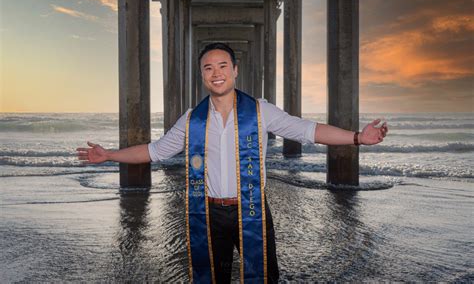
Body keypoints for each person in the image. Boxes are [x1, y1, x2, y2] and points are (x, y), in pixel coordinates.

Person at [77, 43, 388, 283]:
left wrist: (358, 137)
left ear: (235, 70)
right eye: (208, 68)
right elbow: (155, 151)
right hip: (207, 213)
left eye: (222, 65)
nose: (216, 73)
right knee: (210, 277)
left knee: (264, 277)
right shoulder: (191, 120)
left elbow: (309, 130)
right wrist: (109, 155)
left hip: (250, 208)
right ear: (202, 75)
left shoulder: (261, 111)